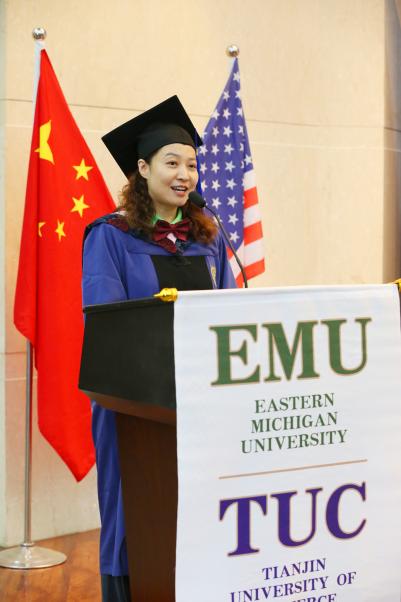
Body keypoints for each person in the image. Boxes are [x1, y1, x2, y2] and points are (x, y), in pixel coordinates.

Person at [82, 95, 236, 602]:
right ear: (143, 169)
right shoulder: (111, 236)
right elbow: (106, 320)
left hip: (200, 401)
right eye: (172, 163)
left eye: (191, 164)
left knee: (200, 506)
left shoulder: (209, 238)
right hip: (132, 402)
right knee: (134, 509)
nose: (184, 175)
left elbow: (230, 314)